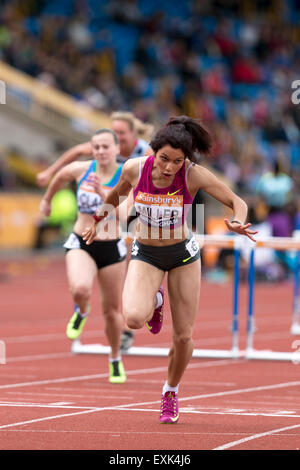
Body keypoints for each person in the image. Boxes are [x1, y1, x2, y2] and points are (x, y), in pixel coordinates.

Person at [82, 115, 258, 423]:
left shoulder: (193, 175)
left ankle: (170, 391)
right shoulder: (136, 168)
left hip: (183, 257)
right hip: (146, 253)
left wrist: (238, 220)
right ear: (153, 152)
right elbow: (117, 194)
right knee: (134, 318)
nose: (168, 168)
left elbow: (236, 200)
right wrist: (99, 221)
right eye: (164, 159)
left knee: (183, 337)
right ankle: (156, 301)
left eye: (177, 161)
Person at [36, 112, 153, 351]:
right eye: (114, 131)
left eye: (120, 133)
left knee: (127, 286)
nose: (115, 137)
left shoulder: (144, 155)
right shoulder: (99, 151)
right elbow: (75, 156)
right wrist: (49, 177)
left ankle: (126, 332)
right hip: (93, 228)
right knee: (82, 286)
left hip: (136, 210)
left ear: (129, 137)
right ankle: (84, 312)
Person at [39, 128, 130, 384]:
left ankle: (115, 359)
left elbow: (125, 216)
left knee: (112, 312)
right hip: (81, 242)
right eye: (96, 147)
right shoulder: (82, 170)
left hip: (111, 246)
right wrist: (47, 200)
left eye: (105, 146)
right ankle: (81, 310)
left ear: (116, 149)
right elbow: (59, 176)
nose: (100, 151)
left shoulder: (126, 175)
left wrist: (105, 196)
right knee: (80, 288)